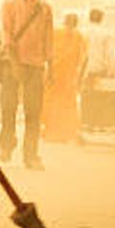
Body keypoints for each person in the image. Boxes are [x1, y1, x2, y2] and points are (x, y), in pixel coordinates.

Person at [0, 0, 52, 168]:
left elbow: (48, 40)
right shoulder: (10, 3)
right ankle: (6, 146)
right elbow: (7, 34)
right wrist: (14, 64)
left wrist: (51, 68)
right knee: (8, 109)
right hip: (12, 63)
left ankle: (30, 155)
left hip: (36, 66)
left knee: (34, 112)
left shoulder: (46, 9)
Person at [42, 12, 86, 143]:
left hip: (59, 75)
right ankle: (62, 132)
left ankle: (54, 131)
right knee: (62, 103)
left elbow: (49, 53)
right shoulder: (76, 36)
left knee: (54, 102)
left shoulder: (62, 34)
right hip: (63, 76)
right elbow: (81, 59)